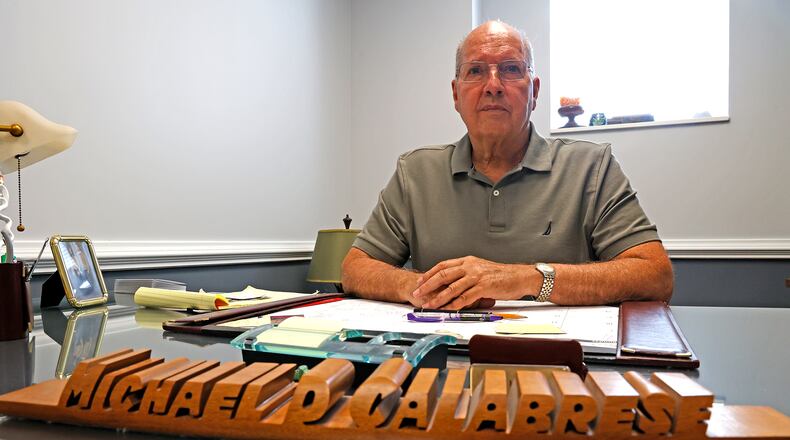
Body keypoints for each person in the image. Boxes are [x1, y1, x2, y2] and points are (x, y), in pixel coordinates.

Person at [341, 20, 673, 309]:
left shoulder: (592, 166)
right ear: (456, 95)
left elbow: (654, 275)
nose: (494, 86)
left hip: (559, 361)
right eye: (476, 71)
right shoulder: (415, 172)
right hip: (445, 355)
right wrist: (420, 288)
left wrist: (524, 279)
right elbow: (355, 268)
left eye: (511, 69)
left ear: (534, 91)